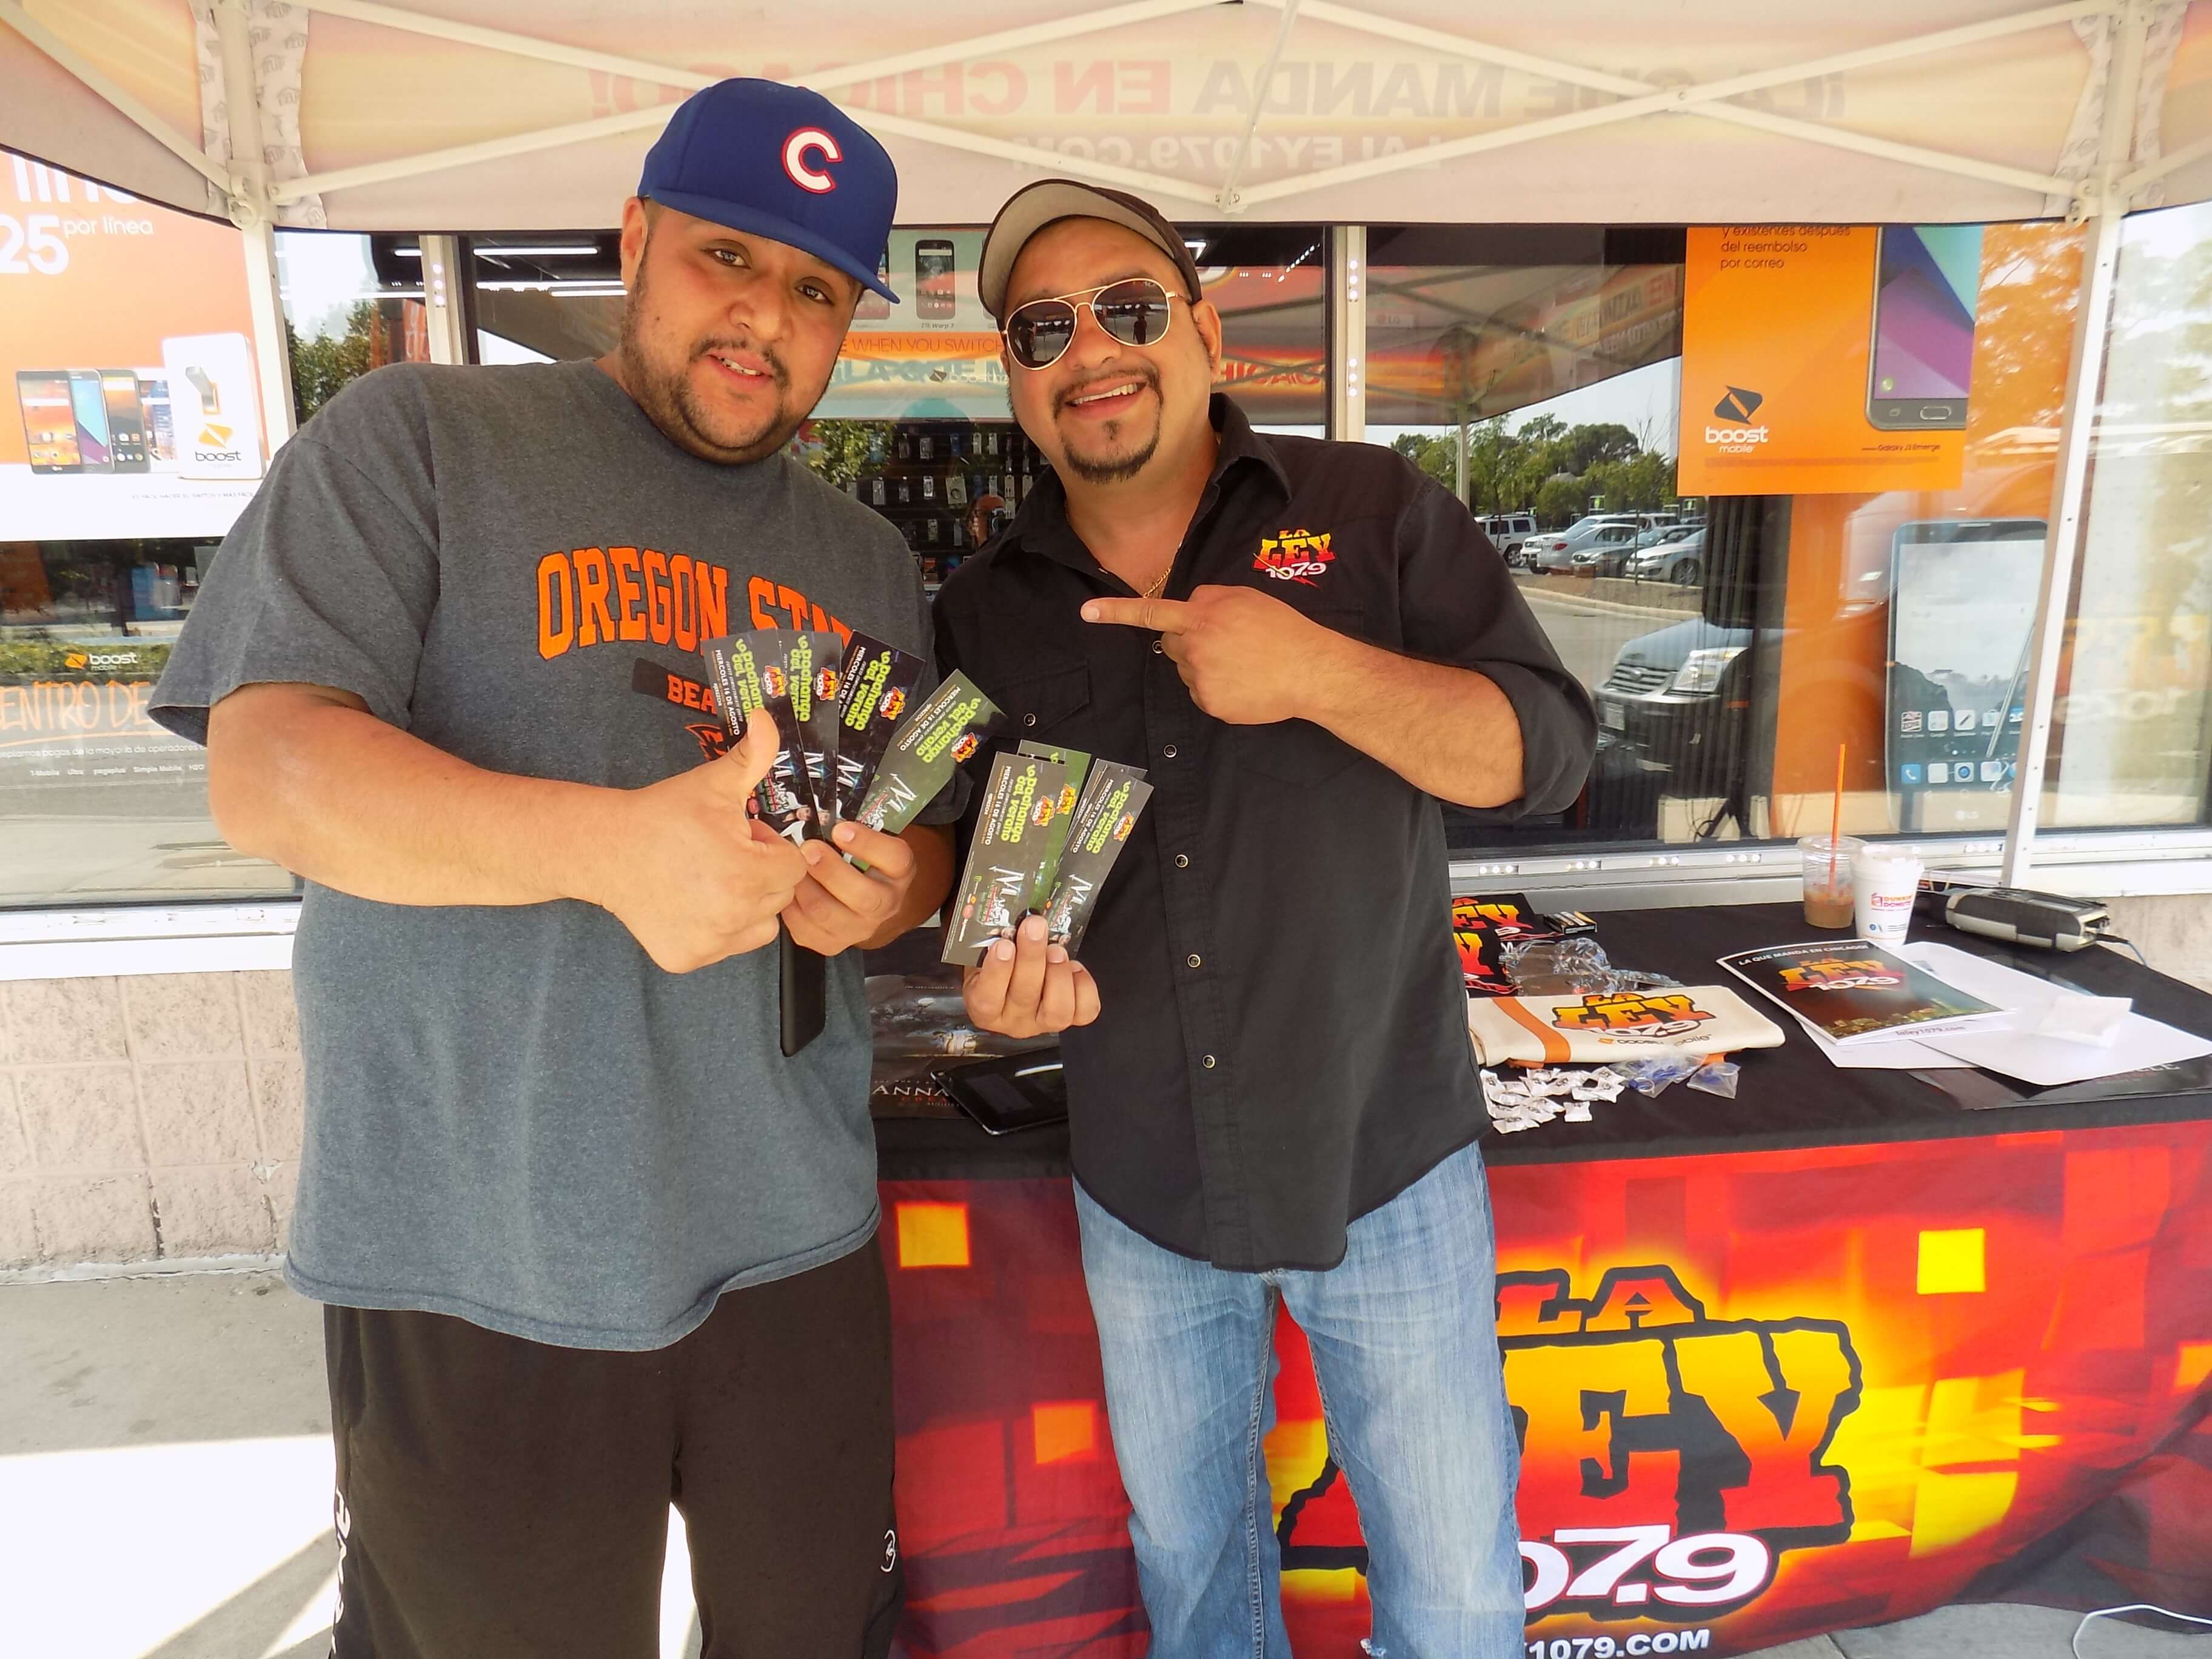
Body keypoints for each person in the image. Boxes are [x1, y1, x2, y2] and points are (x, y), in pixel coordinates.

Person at [149, 81, 956, 1658]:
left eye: (816, 290)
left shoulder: (863, 559)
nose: (765, 317)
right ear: (636, 238)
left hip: (795, 1233)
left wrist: (900, 885)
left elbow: (907, 829)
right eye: (730, 256)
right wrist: (614, 850)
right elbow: (267, 767)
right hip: (477, 1246)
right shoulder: (418, 437)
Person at [936, 179, 1596, 1658]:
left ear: (1207, 334)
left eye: (1128, 308)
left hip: (1386, 1162)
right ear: (1017, 381)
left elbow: (1551, 756)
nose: (1090, 349)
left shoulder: (1371, 513)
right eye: (1043, 328)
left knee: (1457, 1596)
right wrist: (995, 982)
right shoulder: (984, 608)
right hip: (1143, 1181)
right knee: (1196, 1584)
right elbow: (979, 878)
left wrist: (1317, 673)